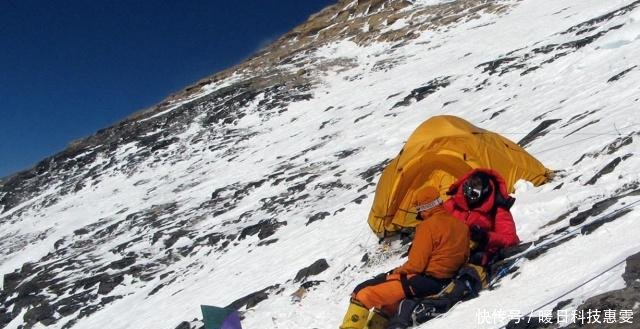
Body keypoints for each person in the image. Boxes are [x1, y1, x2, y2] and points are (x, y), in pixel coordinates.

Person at [339, 186, 469, 329]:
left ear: (424, 208)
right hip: (446, 282)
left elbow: (416, 265)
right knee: (389, 303)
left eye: (418, 210)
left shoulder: (428, 226)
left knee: (362, 292)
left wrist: (394, 272)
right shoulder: (461, 226)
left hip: (424, 281)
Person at [443, 168, 519, 265]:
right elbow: (436, 221)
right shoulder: (454, 203)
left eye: (474, 194)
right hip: (449, 251)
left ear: (485, 192)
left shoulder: (497, 209)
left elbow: (511, 239)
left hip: (478, 256)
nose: (468, 197)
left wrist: (486, 237)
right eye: (466, 191)